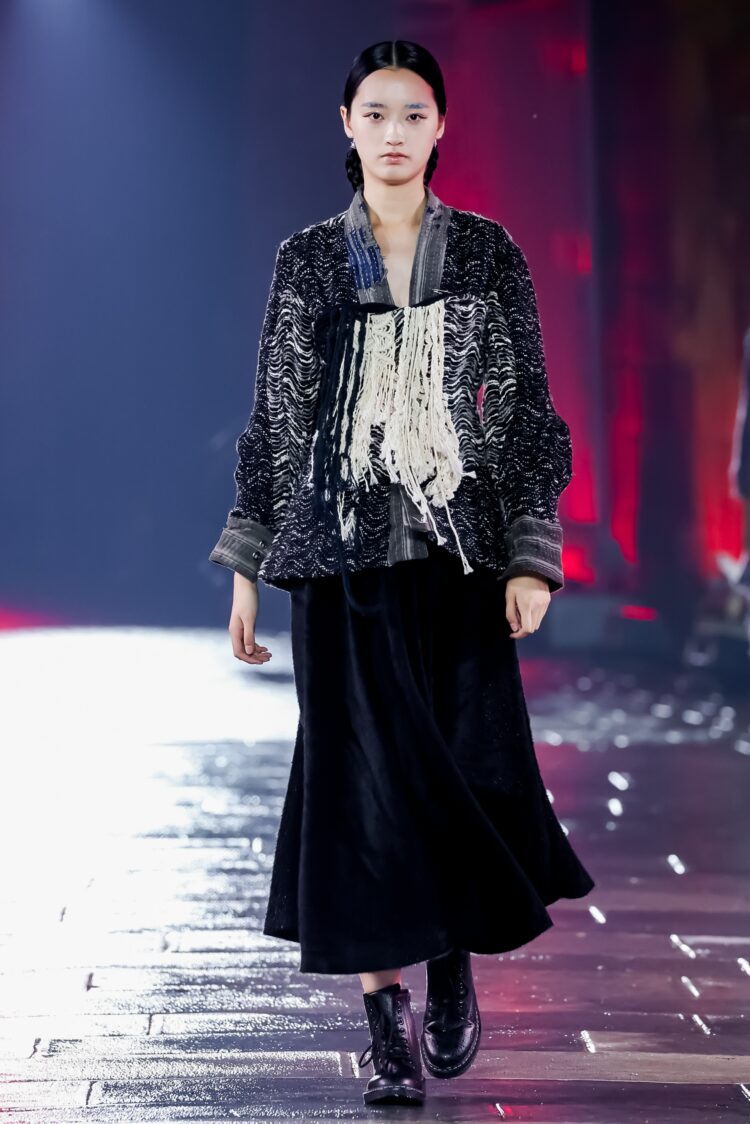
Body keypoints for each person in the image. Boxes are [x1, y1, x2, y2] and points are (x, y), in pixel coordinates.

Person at [209, 39, 595, 1109]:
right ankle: (386, 1024)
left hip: (457, 556)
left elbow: (527, 415)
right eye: (374, 113)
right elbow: (278, 418)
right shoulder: (308, 261)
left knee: (466, 770)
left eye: (412, 113)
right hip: (340, 563)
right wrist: (246, 567)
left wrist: (532, 558)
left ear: (439, 126)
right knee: (358, 787)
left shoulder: (487, 254)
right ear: (346, 124)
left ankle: (452, 958)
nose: (392, 132)